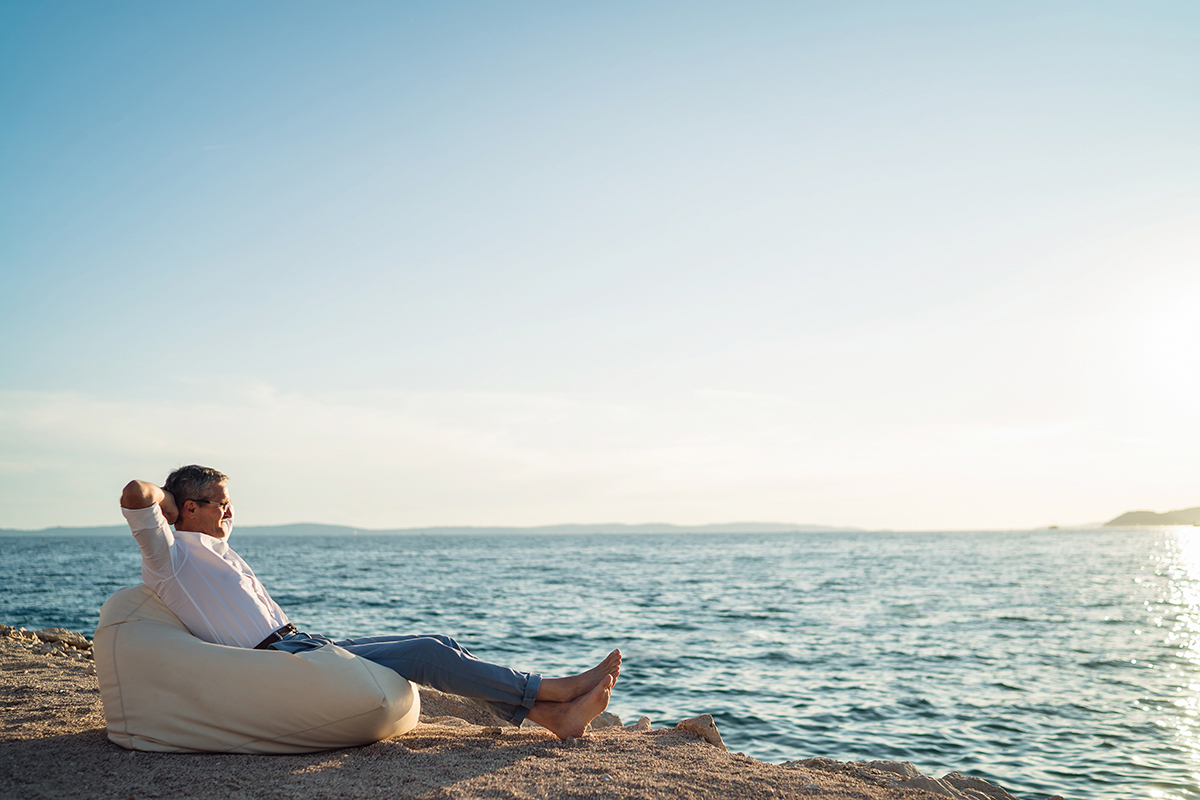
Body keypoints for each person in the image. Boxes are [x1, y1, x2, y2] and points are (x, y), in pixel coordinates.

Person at [119, 464, 619, 740]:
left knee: (438, 642)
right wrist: (169, 498)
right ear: (187, 508)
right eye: (220, 503)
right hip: (279, 662)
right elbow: (134, 493)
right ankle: (554, 691)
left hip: (303, 644)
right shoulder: (169, 557)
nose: (230, 511)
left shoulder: (217, 550)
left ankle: (551, 717)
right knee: (427, 654)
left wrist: (199, 505)